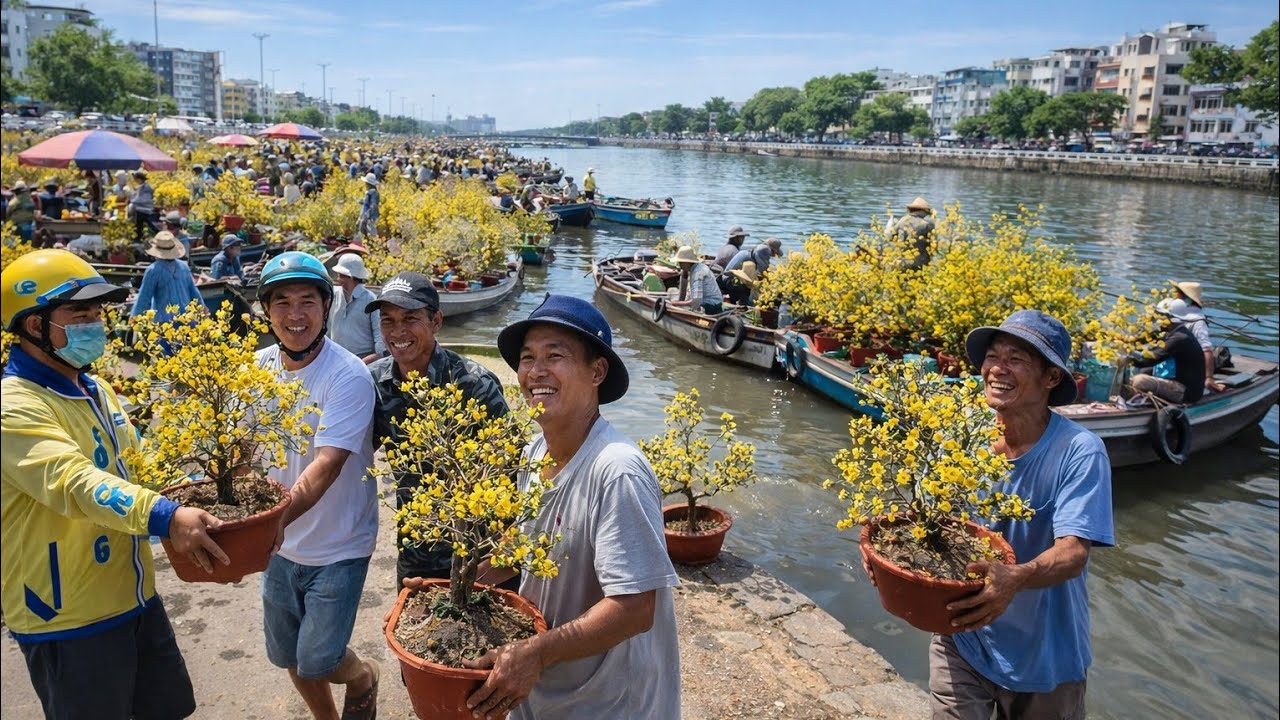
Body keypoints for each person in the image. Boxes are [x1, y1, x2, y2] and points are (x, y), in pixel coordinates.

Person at [420, 294, 681, 720]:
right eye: (527, 358)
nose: (536, 372)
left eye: (555, 356)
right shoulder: (534, 452)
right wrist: (453, 589)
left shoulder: (616, 471)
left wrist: (536, 654)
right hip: (547, 690)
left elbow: (635, 608)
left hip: (609, 702)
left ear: (597, 371)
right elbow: (527, 544)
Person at [1, 249, 229, 720]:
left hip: (134, 596)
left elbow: (139, 465)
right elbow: (73, 481)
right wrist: (166, 517)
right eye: (78, 313)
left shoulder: (95, 389)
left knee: (165, 710)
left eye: (97, 312)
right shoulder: (13, 405)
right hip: (69, 616)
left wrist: (206, 486)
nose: (95, 323)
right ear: (32, 325)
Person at [876, 309, 1113, 720]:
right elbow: (934, 520)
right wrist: (885, 547)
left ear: (1052, 378)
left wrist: (1016, 577)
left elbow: (1073, 553)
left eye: (1017, 359)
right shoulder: (966, 433)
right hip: (962, 631)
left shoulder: (1080, 451)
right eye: (993, 356)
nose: (997, 369)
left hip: (1043, 658)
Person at [254, 252, 381, 720]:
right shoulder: (254, 370)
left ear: (326, 307)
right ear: (266, 312)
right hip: (278, 545)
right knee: (289, 656)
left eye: (308, 301)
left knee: (319, 658)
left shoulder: (348, 374)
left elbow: (326, 465)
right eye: (282, 302)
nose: (295, 315)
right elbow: (241, 456)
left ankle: (364, 676)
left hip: (338, 543)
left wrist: (271, 521)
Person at [365, 272, 508, 584]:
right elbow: (351, 453)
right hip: (415, 553)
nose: (397, 331)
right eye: (387, 320)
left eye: (410, 318)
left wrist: (494, 566)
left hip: (476, 556)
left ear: (437, 322)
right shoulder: (373, 382)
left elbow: (511, 477)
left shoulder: (474, 385)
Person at [1127, 298, 1207, 405]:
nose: (1157, 319)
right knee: (1140, 372)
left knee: (1139, 380)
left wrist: (1128, 359)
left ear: (1170, 318)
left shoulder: (1180, 338)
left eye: (1160, 315)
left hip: (1186, 392)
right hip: (1174, 379)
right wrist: (1124, 340)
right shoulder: (1169, 331)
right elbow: (1142, 339)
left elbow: (1151, 359)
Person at [131, 231, 204, 324]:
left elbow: (144, 298)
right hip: (186, 320)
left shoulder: (153, 270)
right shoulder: (184, 267)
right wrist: (202, 311)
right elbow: (194, 293)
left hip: (164, 324)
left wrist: (135, 319)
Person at [1168, 280, 1225, 393]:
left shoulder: (1198, 321)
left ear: (1186, 297)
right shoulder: (1176, 311)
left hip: (1189, 364)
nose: (1175, 295)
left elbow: (1207, 350)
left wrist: (1209, 378)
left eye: (1178, 293)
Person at [328, 253, 384, 364]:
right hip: (335, 360)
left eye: (340, 275)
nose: (338, 279)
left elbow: (379, 342)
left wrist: (361, 364)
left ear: (350, 277)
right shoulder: (334, 296)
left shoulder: (370, 299)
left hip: (364, 361)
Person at [669, 245, 723, 315]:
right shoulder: (698, 268)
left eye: (681, 263)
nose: (680, 266)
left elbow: (696, 301)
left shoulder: (698, 273)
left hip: (711, 307)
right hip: (714, 304)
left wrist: (674, 303)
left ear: (687, 262)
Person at [888, 196, 935, 270]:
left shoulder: (902, 221)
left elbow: (891, 236)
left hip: (901, 263)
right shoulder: (927, 225)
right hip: (920, 264)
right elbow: (934, 246)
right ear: (922, 211)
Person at [131, 171, 157, 243]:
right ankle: (138, 238)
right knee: (139, 225)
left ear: (140, 179)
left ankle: (158, 234)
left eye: (136, 179)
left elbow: (144, 199)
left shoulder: (146, 187)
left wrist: (132, 201)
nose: (136, 181)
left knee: (148, 224)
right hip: (141, 209)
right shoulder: (141, 186)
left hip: (145, 209)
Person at [357, 173, 379, 240]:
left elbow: (373, 205)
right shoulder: (370, 192)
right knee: (363, 230)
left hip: (370, 216)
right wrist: (361, 201)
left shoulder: (373, 192)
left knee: (371, 232)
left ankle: (376, 246)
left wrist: (367, 215)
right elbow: (367, 202)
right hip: (366, 215)